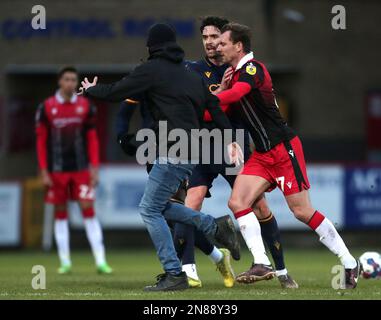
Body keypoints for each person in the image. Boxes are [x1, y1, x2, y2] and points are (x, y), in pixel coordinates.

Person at [79, 23, 242, 292]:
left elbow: (117, 92)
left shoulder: (151, 70)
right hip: (192, 150)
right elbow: (215, 106)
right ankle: (215, 226)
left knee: (148, 210)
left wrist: (90, 90)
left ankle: (174, 273)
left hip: (171, 149)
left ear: (151, 46)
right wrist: (230, 138)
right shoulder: (191, 75)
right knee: (160, 207)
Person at [215, 22, 360, 289]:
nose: (217, 46)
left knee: (301, 211)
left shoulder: (252, 69)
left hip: (284, 149)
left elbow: (236, 94)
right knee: (237, 202)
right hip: (260, 155)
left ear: (238, 46)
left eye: (223, 42)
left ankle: (349, 261)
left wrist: (215, 95)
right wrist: (212, 96)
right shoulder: (231, 76)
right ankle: (262, 262)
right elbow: (215, 110)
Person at [174, 16, 297, 288]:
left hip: (234, 145)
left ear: (227, 41)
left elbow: (237, 104)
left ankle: (280, 270)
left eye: (215, 38)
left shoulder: (241, 69)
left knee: (259, 205)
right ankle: (187, 273)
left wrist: (225, 91)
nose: (210, 43)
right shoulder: (192, 70)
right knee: (189, 205)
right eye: (205, 38)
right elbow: (197, 108)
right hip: (203, 146)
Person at [35, 66, 112, 275]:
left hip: (81, 170)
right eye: (67, 79)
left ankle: (101, 261)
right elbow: (41, 141)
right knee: (60, 213)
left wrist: (94, 167)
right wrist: (43, 171)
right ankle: (65, 261)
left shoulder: (85, 106)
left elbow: (92, 138)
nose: (71, 83)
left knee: (88, 209)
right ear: (60, 82)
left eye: (73, 80)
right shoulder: (47, 107)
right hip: (57, 171)